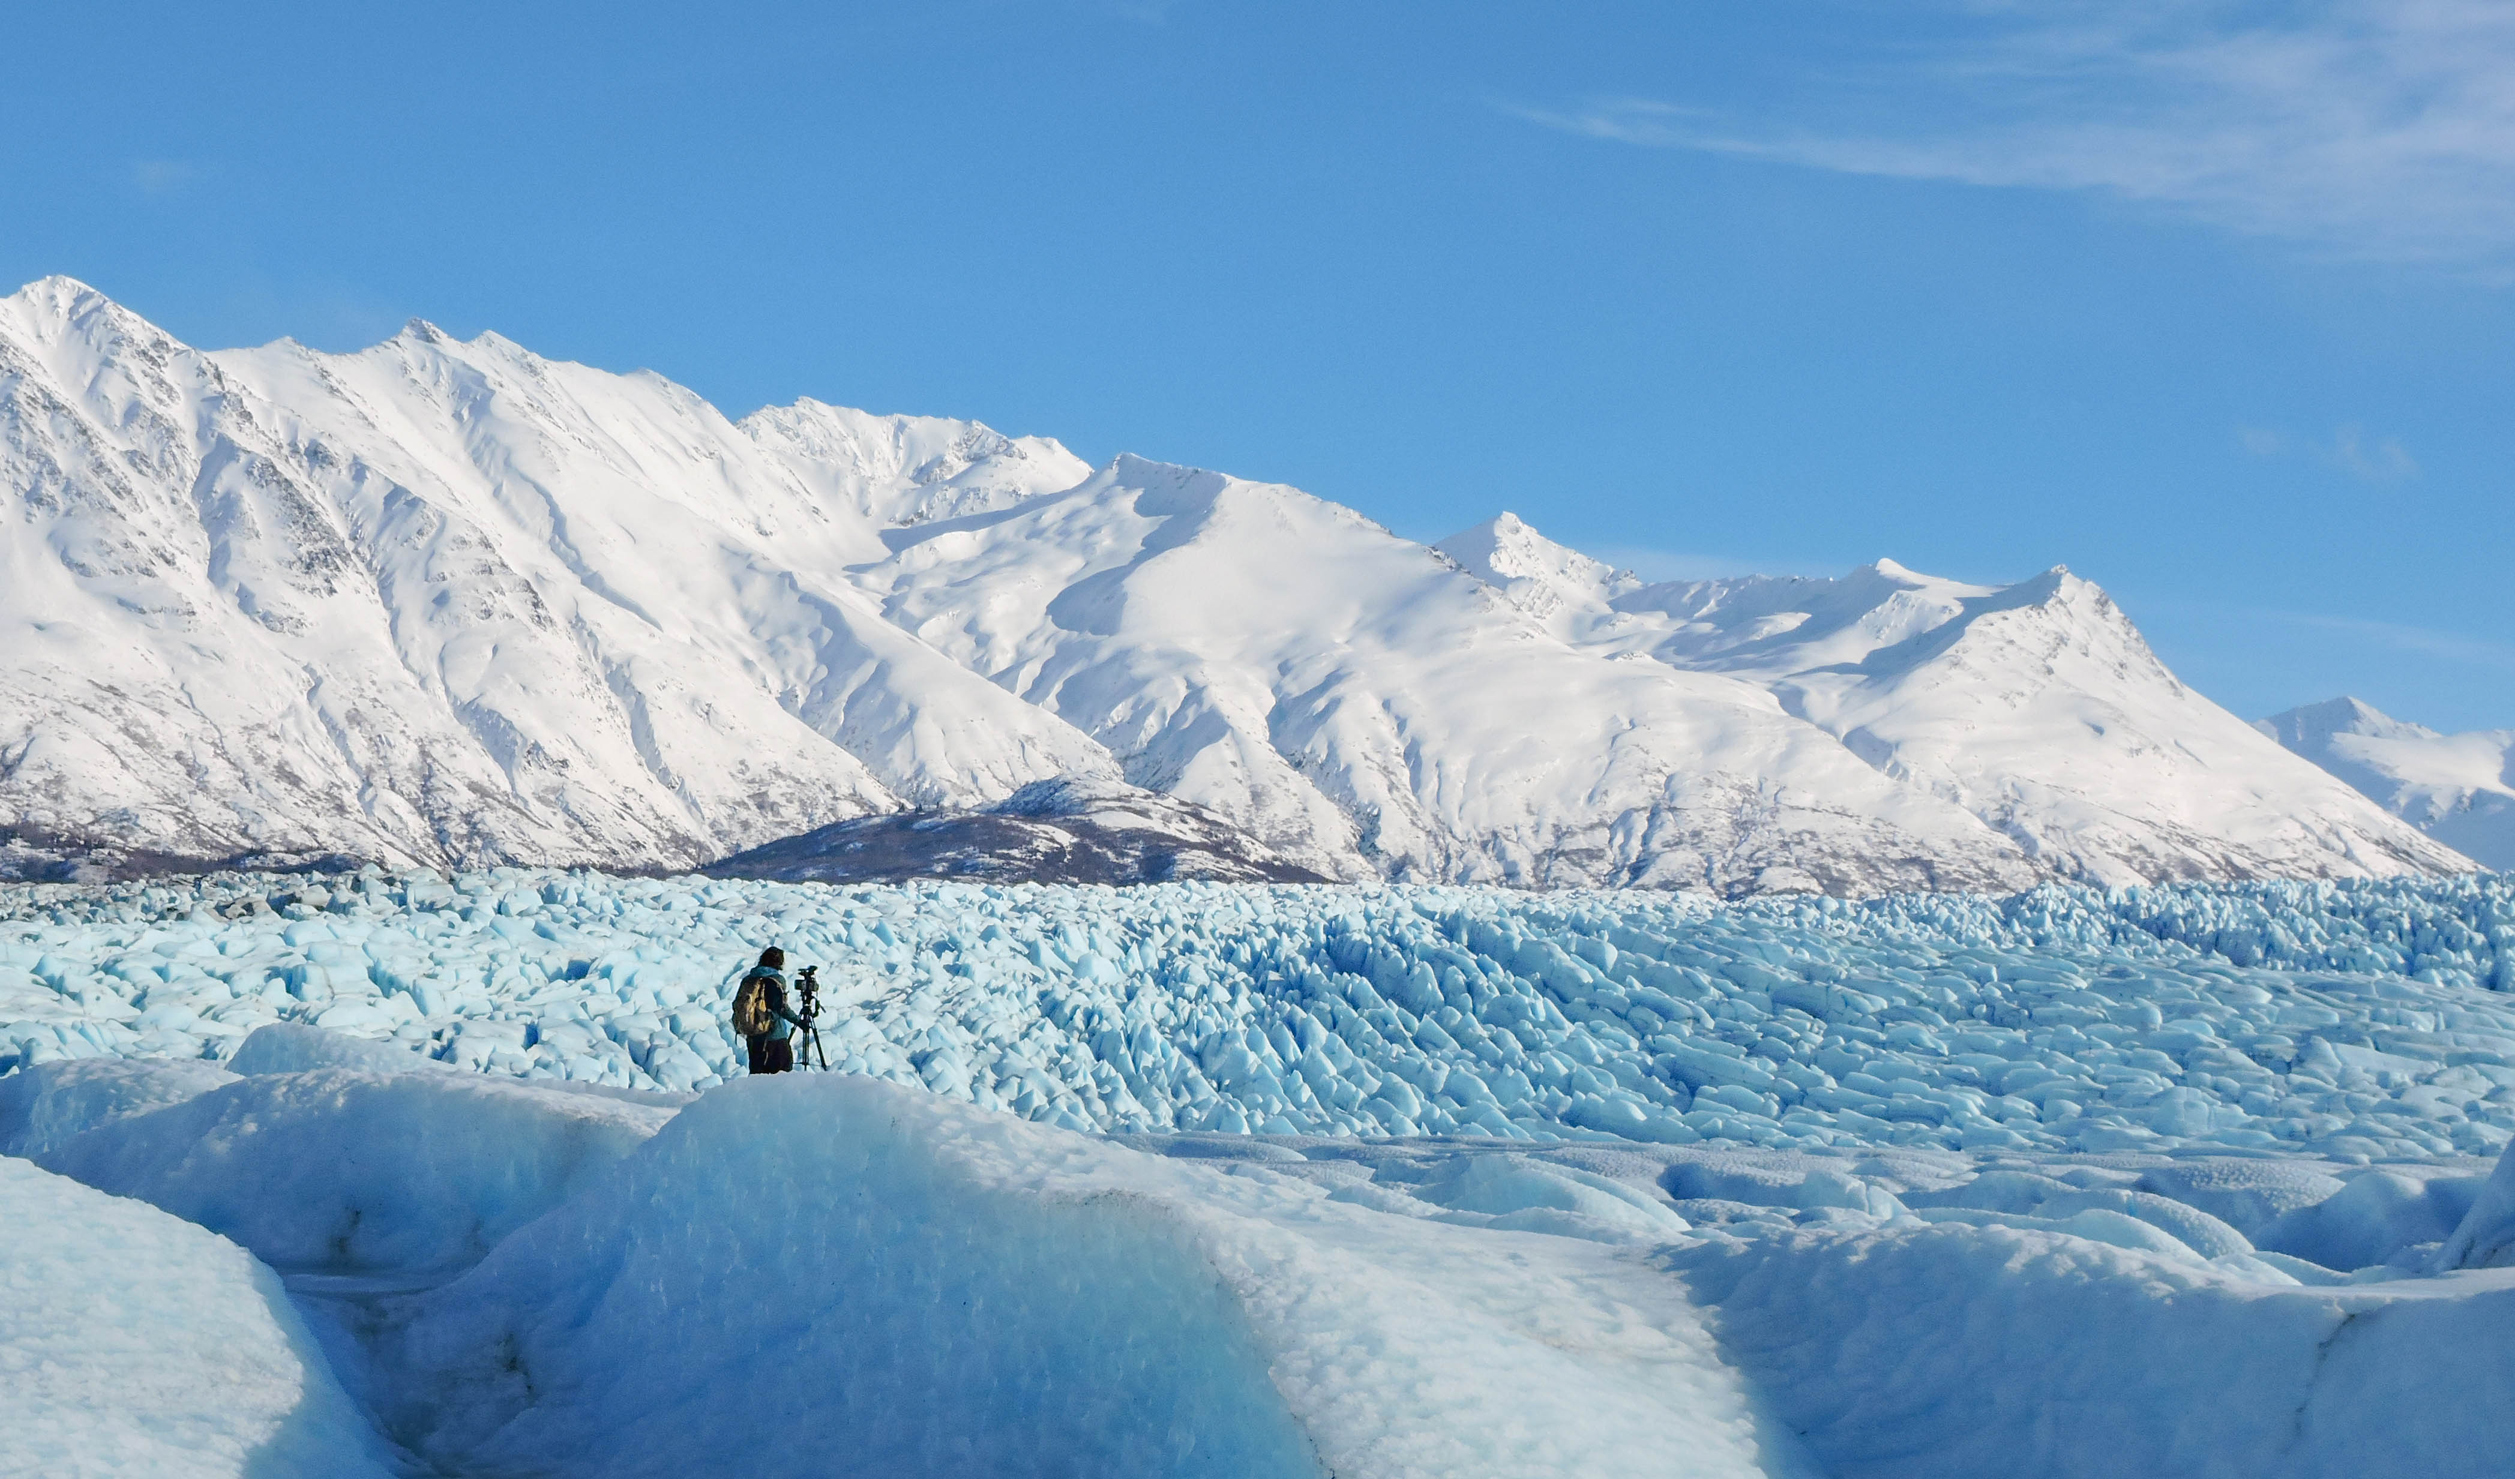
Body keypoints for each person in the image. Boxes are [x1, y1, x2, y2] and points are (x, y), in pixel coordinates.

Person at [733, 947, 806, 1075]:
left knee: (757, 1076)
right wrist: (798, 1022)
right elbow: (782, 1008)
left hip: (753, 1036)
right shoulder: (776, 979)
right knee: (783, 1074)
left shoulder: (749, 979)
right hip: (774, 1035)